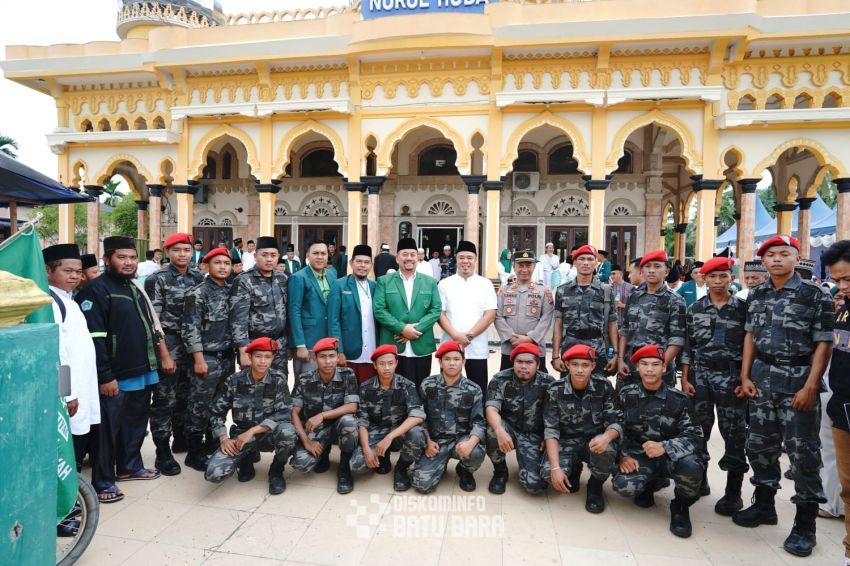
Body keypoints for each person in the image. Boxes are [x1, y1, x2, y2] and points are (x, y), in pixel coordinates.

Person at [735, 234, 834, 557]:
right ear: (763, 261)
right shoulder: (757, 294)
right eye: (770, 255)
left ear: (796, 257)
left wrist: (811, 385)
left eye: (783, 253)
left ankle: (805, 524)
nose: (777, 259)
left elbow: (824, 342)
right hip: (762, 379)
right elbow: (750, 335)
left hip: (798, 381)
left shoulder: (814, 295)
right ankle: (764, 505)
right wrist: (745, 375)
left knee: (803, 454)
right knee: (759, 447)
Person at [76, 236, 162, 504]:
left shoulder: (132, 286)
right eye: (121, 257)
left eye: (132, 257)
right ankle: (103, 481)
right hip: (115, 375)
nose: (128, 262)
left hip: (141, 369)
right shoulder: (96, 290)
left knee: (135, 423)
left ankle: (129, 467)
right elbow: (95, 338)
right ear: (107, 259)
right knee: (107, 432)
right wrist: (105, 376)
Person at [679, 256, 749, 514]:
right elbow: (688, 347)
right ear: (704, 279)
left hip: (732, 378)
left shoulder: (743, 309)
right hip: (701, 378)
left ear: (732, 278)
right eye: (712, 277)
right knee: (699, 432)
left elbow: (750, 346)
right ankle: (700, 481)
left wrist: (745, 378)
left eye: (723, 276)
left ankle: (733, 493)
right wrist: (685, 378)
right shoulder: (695, 309)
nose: (718, 281)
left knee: (734, 434)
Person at [612, 345, 704, 538]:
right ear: (637, 367)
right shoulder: (626, 395)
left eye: (655, 364)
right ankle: (649, 484)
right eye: (644, 364)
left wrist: (665, 446)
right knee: (623, 486)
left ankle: (681, 506)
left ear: (664, 368)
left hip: (670, 457)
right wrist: (622, 456)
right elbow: (614, 427)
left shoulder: (679, 399)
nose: (650, 369)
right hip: (639, 455)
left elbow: (695, 435)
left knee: (692, 466)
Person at [204, 337, 296, 495]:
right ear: (250, 357)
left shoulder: (278, 379)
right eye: (258, 356)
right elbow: (216, 411)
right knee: (214, 473)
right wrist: (223, 438)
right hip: (241, 437)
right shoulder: (234, 381)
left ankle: (276, 470)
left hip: (268, 434)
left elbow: (284, 414)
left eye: (267, 357)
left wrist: (253, 431)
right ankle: (246, 459)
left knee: (288, 432)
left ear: (273, 358)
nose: (263, 361)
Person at [146, 232, 205, 476]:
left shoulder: (198, 277)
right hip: (169, 342)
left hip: (193, 345)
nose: (182, 254)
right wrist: (164, 355)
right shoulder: (157, 279)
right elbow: (154, 321)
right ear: (167, 252)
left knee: (188, 396)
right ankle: (162, 451)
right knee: (165, 399)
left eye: (186, 250)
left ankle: (182, 440)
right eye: (177, 250)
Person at [543, 344, 622, 513]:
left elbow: (616, 420)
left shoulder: (603, 386)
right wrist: (555, 468)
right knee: (547, 474)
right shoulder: (555, 389)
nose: (580, 370)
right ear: (567, 365)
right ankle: (574, 468)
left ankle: (595, 485)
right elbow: (551, 429)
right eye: (575, 364)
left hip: (594, 441)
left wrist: (606, 437)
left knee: (607, 449)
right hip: (566, 441)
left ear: (593, 366)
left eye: (585, 365)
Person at [44, 244, 101, 471]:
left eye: (78, 271)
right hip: (70, 392)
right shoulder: (51, 302)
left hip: (82, 386)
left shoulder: (68, 300)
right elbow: (58, 351)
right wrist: (68, 393)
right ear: (48, 270)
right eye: (67, 271)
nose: (75, 276)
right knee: (67, 446)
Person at [181, 247, 235, 471]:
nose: (223, 267)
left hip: (227, 356)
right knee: (199, 404)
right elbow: (190, 328)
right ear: (206, 266)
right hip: (207, 357)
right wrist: (198, 359)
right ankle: (194, 451)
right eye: (217, 263)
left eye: (226, 263)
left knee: (220, 403)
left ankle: (213, 442)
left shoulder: (232, 290)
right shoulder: (197, 293)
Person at [350, 344, 426, 492]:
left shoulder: (406, 385)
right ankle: (382, 457)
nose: (386, 368)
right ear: (374, 365)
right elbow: (362, 421)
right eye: (382, 364)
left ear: (396, 363)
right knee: (357, 466)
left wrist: (389, 437)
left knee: (417, 433)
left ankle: (401, 468)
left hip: (399, 431)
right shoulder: (366, 388)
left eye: (390, 363)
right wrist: (366, 449)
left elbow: (417, 415)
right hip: (375, 431)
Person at [412, 341, 486, 493]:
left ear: (463, 362)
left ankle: (464, 470)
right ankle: (440, 464)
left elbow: (479, 422)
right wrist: (428, 442)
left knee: (476, 452)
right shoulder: (428, 385)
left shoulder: (473, 389)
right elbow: (420, 417)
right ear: (440, 362)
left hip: (461, 440)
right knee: (422, 485)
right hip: (435, 442)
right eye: (447, 359)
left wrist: (470, 443)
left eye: (456, 359)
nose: (452, 363)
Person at [290, 338, 360, 494]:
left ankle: (344, 468)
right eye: (323, 357)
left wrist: (322, 415)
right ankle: (323, 454)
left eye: (331, 356)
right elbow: (293, 412)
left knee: (349, 422)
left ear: (337, 357)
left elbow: (352, 406)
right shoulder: (304, 379)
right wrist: (306, 441)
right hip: (316, 431)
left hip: (339, 427)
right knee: (301, 463)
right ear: (315, 359)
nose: (328, 361)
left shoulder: (347, 374)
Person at [485, 343, 554, 495]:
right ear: (513, 363)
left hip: (534, 433)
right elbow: (491, 408)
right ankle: (500, 471)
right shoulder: (500, 379)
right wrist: (499, 430)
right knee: (491, 430)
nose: (523, 366)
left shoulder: (549, 383)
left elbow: (553, 415)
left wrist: (547, 436)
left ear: (538, 365)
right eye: (519, 362)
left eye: (529, 362)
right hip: (508, 428)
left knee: (534, 485)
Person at [373, 237, 442, 388]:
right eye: (405, 254)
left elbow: (436, 309)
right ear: (397, 258)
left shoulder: (429, 282)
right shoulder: (384, 281)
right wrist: (402, 329)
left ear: (417, 257)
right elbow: (379, 310)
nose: (409, 258)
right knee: (394, 391)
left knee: (421, 388)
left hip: (421, 345)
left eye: (412, 254)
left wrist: (414, 330)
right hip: (393, 346)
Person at [821, 240, 850, 564]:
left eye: (848, 279)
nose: (842, 286)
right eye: (837, 280)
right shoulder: (842, 310)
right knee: (848, 487)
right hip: (842, 410)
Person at [617, 250, 687, 386]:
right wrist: (620, 359)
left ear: (666, 271)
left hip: (659, 364)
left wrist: (661, 365)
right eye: (647, 267)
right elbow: (625, 330)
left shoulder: (675, 300)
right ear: (641, 271)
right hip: (631, 364)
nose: (651, 270)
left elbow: (677, 339)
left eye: (657, 266)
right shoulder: (634, 296)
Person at [437, 240, 497, 391]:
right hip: (450, 346)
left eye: (469, 258)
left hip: (477, 348)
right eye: (461, 257)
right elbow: (439, 313)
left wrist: (469, 336)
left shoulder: (485, 284)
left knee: (478, 390)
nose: (465, 261)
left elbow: (490, 314)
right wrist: (455, 336)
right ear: (456, 259)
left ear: (475, 260)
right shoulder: (444, 284)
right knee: (446, 391)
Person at [552, 245, 618, 377]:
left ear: (595, 263)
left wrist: (616, 354)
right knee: (569, 386)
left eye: (590, 259)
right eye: (581, 259)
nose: (586, 263)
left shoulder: (606, 290)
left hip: (597, 348)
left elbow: (612, 322)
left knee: (598, 386)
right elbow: (558, 324)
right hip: (570, 347)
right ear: (575, 263)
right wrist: (555, 356)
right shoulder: (562, 290)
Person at [230, 236, 290, 375]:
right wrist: (243, 350)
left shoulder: (282, 279)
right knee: (254, 385)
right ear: (255, 256)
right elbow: (238, 319)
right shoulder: (244, 280)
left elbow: (287, 312)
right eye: (264, 255)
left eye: (273, 255)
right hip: (254, 346)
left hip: (279, 345)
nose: (269, 259)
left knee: (279, 383)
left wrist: (289, 344)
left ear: (278, 257)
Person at [494, 250, 554, 371]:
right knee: (506, 380)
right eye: (520, 265)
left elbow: (546, 318)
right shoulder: (504, 290)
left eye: (528, 265)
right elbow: (497, 316)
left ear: (534, 267)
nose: (524, 270)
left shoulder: (543, 291)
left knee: (538, 381)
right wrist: (511, 337)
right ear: (514, 267)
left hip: (535, 348)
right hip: (510, 347)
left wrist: (530, 338)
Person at [328, 244, 378, 383]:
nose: (363, 265)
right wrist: (339, 350)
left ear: (371, 265)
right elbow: (333, 321)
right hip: (348, 354)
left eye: (366, 262)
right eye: (359, 261)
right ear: (351, 263)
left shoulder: (375, 287)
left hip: (372, 352)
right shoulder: (339, 285)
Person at [289, 240, 337, 376]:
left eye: (323, 253)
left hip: (328, 341)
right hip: (308, 342)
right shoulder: (298, 278)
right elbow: (294, 312)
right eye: (315, 253)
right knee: (306, 382)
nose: (320, 257)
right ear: (307, 255)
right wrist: (300, 345)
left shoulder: (332, 275)